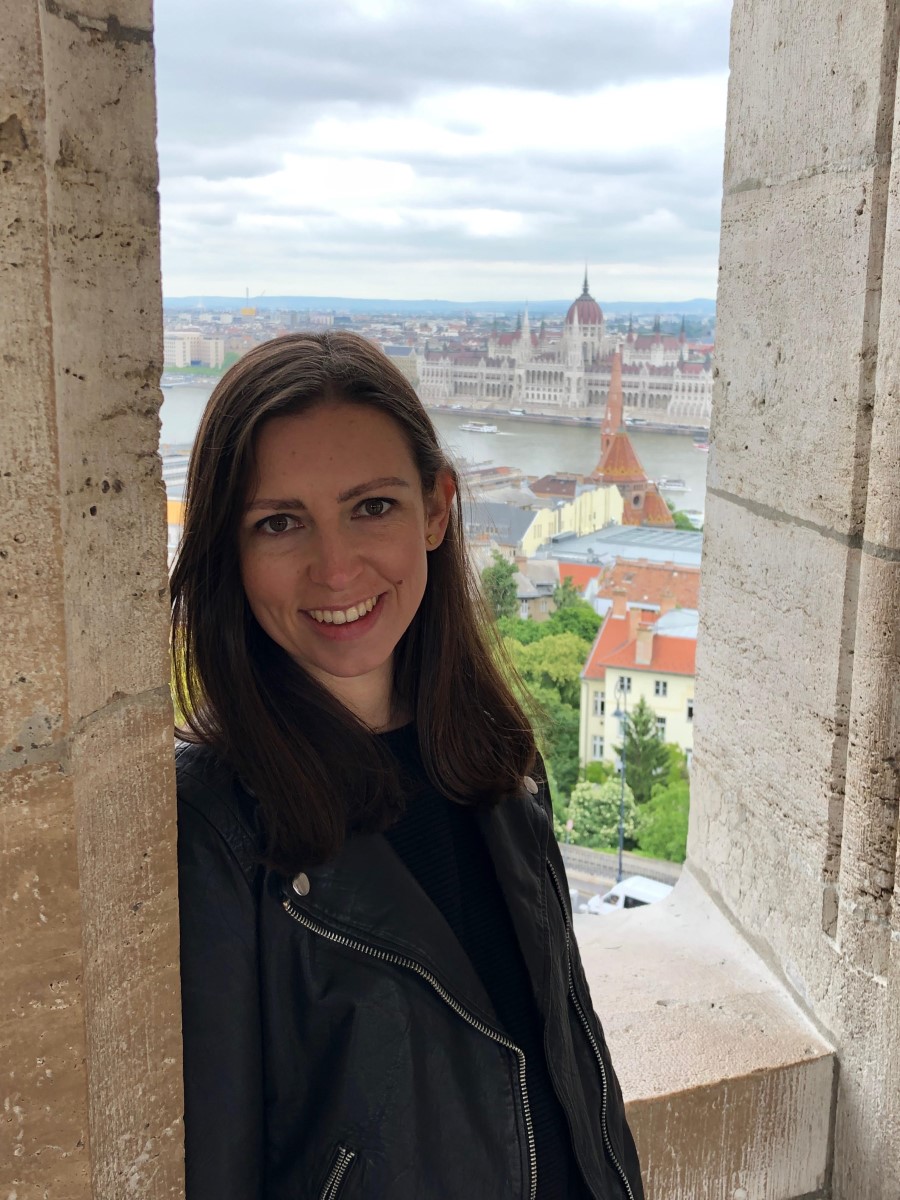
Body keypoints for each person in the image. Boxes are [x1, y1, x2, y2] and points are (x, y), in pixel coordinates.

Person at [171, 331, 644, 1200]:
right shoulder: (211, 828)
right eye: (279, 523)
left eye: (372, 507)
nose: (336, 566)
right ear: (228, 554)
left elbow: (572, 1071)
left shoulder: (498, 761)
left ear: (436, 510)